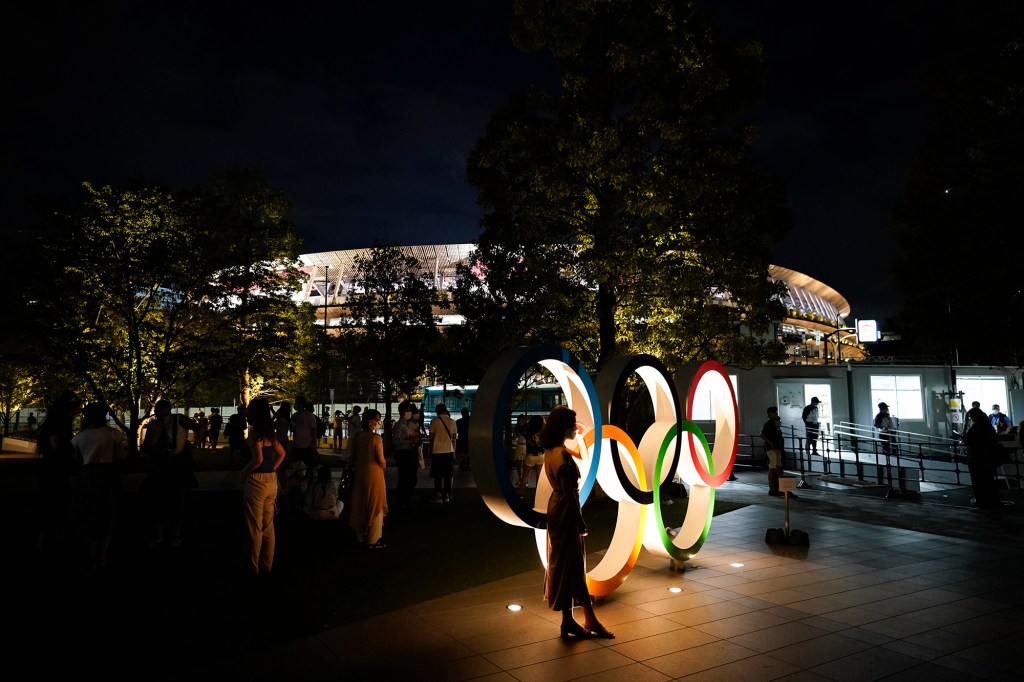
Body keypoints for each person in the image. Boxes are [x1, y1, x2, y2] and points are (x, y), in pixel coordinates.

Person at [540, 405, 614, 640]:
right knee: (571, 566)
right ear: (564, 427)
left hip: (557, 510)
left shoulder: (551, 451)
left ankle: (573, 621)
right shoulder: (561, 455)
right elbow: (571, 494)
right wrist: (579, 520)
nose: (576, 428)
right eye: (573, 424)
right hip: (566, 512)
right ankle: (585, 620)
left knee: (565, 566)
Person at [70, 402, 127, 570]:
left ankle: (91, 560)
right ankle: (102, 558)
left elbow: (76, 459)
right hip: (109, 476)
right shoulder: (113, 434)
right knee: (108, 516)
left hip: (88, 476)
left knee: (89, 516)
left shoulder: (79, 437)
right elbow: (121, 457)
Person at [139, 399, 197, 549]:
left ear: (169, 412)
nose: (162, 418)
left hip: (176, 466)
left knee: (175, 502)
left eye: (164, 415)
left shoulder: (178, 419)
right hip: (161, 466)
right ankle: (163, 536)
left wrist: (190, 446)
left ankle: (171, 537)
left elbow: (198, 427)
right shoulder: (154, 425)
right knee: (159, 502)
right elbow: (146, 446)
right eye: (159, 415)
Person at [238, 397, 287, 575]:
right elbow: (282, 454)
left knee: (254, 526)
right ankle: (267, 564)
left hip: (256, 481)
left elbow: (257, 459)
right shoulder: (270, 433)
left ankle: (253, 567)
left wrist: (244, 472)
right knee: (268, 525)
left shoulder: (255, 433)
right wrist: (272, 469)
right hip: (271, 481)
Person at [34, 390, 83, 557]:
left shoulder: (56, 420)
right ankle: (49, 539)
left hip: (52, 469)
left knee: (55, 504)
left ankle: (50, 538)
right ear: (70, 407)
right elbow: (56, 446)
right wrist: (75, 444)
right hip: (55, 470)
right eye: (77, 407)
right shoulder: (60, 422)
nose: (79, 411)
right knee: (56, 504)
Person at [350, 409, 388, 548]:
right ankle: (373, 538)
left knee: (361, 503)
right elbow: (381, 460)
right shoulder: (376, 438)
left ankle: (360, 536)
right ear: (371, 422)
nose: (379, 422)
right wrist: (383, 466)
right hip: (374, 474)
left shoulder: (358, 436)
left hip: (360, 473)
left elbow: (352, 457)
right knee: (375, 504)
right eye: (377, 419)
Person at [962, 407, 1002, 513]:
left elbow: (968, 440)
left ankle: (982, 505)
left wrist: (965, 427)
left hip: (976, 459)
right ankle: (993, 503)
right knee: (989, 481)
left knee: (978, 482)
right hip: (989, 458)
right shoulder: (988, 427)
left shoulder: (975, 428)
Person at [759, 406, 794, 498]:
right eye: (774, 412)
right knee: (777, 468)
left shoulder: (773, 423)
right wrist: (771, 443)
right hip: (773, 449)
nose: (776, 414)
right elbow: (762, 435)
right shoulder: (769, 424)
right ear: (770, 414)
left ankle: (775, 489)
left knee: (775, 468)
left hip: (774, 448)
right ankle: (779, 489)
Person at [392, 400, 421, 509]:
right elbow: (396, 440)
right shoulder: (399, 424)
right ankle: (402, 500)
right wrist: (411, 441)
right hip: (403, 453)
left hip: (409, 452)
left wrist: (414, 439)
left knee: (410, 478)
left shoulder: (407, 424)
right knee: (404, 478)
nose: (410, 413)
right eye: (408, 410)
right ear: (402, 412)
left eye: (410, 411)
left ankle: (406, 498)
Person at [429, 403, 458, 503]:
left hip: (437, 451)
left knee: (437, 475)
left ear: (437, 411)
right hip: (449, 451)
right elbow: (454, 439)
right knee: (448, 475)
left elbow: (431, 438)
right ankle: (447, 495)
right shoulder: (452, 422)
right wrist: (454, 450)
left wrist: (430, 449)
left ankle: (438, 495)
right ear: (445, 410)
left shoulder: (434, 422)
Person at [290, 396, 319, 471]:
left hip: (307, 445)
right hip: (297, 445)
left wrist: (313, 441)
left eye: (296, 403)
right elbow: (292, 429)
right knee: (297, 467)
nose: (295, 405)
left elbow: (314, 429)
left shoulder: (309, 415)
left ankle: (308, 480)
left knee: (307, 466)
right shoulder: (294, 416)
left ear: (302, 404)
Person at [519, 415, 545, 498]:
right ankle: (537, 493)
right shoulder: (543, 431)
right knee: (539, 475)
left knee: (525, 475)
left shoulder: (528, 430)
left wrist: (525, 421)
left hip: (531, 455)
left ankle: (521, 493)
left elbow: (521, 428)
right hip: (541, 454)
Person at [456, 407, 471, 471]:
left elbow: (457, 431)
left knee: (458, 452)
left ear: (461, 414)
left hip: (461, 439)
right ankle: (466, 462)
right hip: (469, 439)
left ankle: (463, 461)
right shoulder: (471, 421)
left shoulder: (458, 422)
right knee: (466, 452)